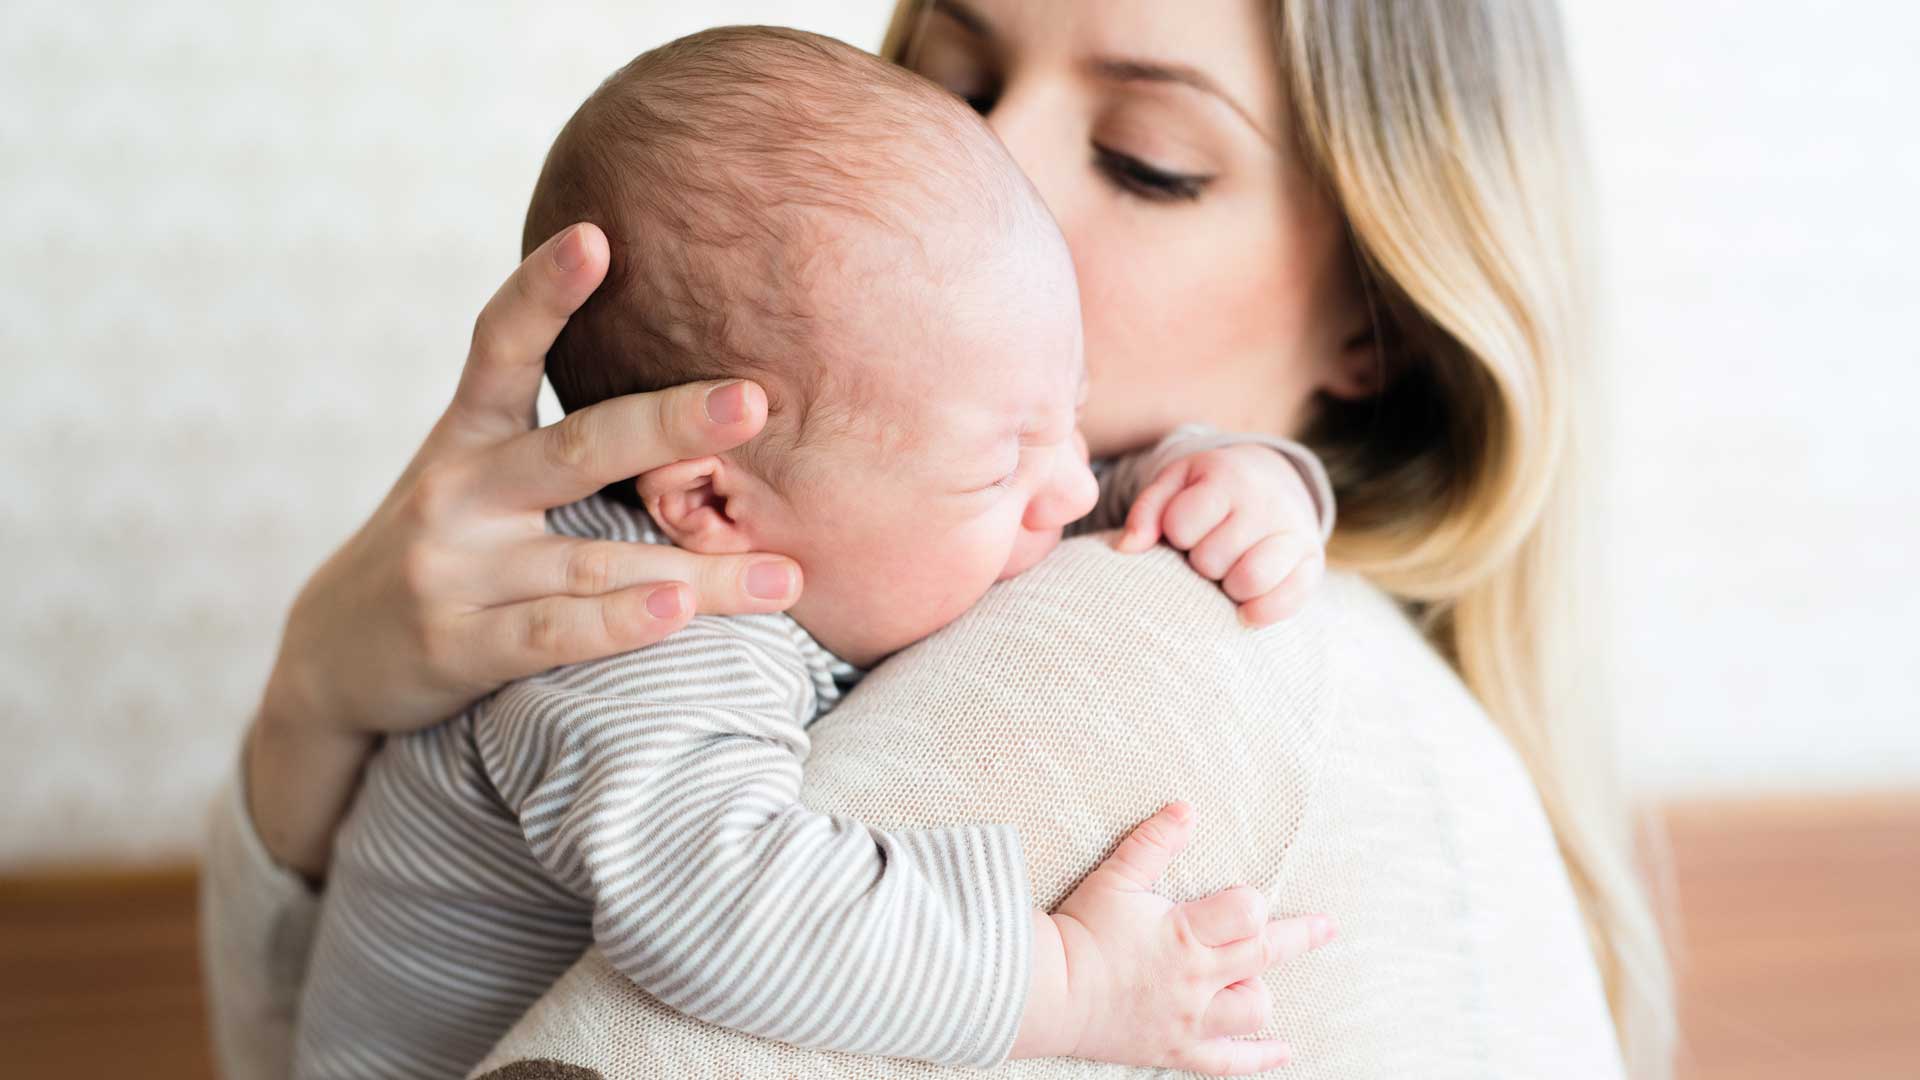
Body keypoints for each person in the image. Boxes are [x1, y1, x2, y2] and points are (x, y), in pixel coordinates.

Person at [201, 2, 1674, 1078]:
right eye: (951, 75)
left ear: (1376, 314)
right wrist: (325, 694)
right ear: (715, 495)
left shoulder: (1145, 630)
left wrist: (1251, 479)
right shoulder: (659, 634)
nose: (989, 164)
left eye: (1146, 157)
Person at [291, 27, 1337, 1080]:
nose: (1071, 487)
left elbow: (1054, 480)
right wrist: (1066, 982)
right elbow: (724, 911)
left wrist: (1239, 478)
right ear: (711, 502)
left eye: (1072, 413)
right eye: (1002, 463)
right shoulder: (635, 639)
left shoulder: (878, 484)